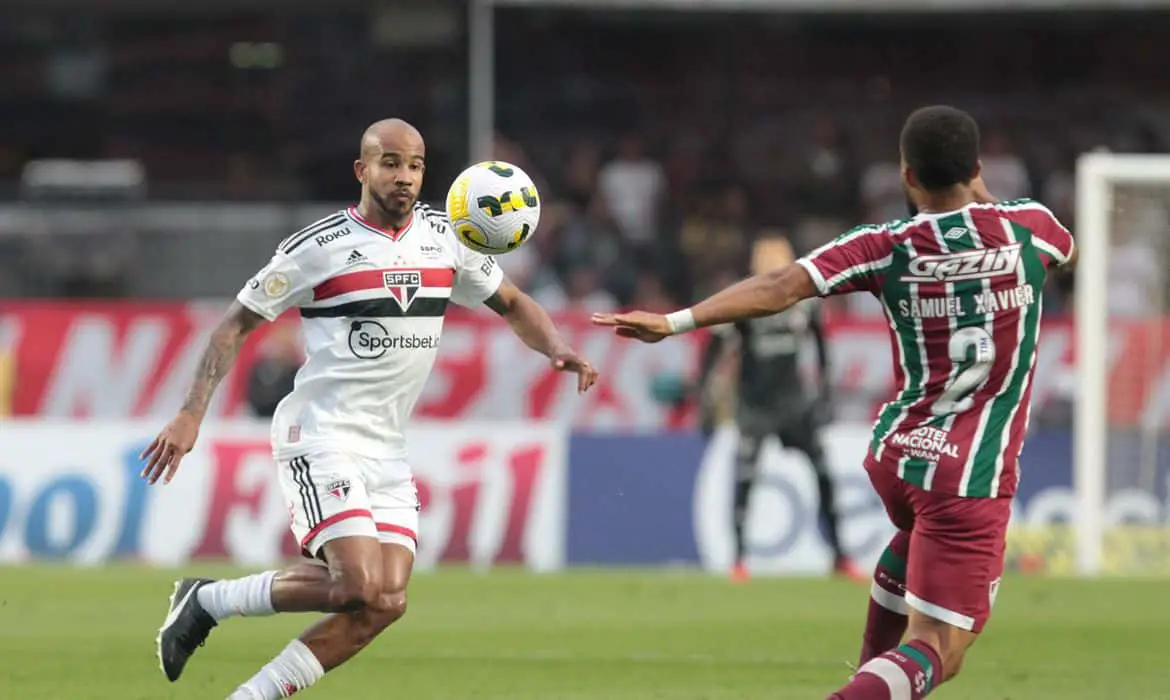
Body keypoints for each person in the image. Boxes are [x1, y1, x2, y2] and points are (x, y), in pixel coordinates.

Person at [593, 105, 1076, 700]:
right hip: (968, 474)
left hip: (898, 456)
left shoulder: (886, 244)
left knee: (909, 552)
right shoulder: (1031, 226)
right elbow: (1058, 247)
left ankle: (866, 680)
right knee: (939, 652)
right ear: (978, 167)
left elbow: (780, 287)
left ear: (906, 177)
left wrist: (674, 321)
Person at [141, 118, 598, 699]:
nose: (403, 176)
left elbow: (512, 303)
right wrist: (190, 413)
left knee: (387, 602)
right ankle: (210, 600)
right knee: (354, 586)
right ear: (363, 170)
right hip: (321, 434)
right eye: (389, 163)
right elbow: (234, 327)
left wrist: (556, 346)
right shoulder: (318, 248)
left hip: (386, 446)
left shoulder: (448, 237)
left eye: (414, 165)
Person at [696, 233, 865, 583]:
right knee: (746, 479)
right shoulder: (746, 300)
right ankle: (739, 560)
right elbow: (714, 348)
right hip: (755, 405)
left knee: (824, 474)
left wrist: (823, 394)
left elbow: (821, 347)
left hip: (794, 403)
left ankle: (840, 555)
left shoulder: (804, 301)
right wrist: (707, 399)